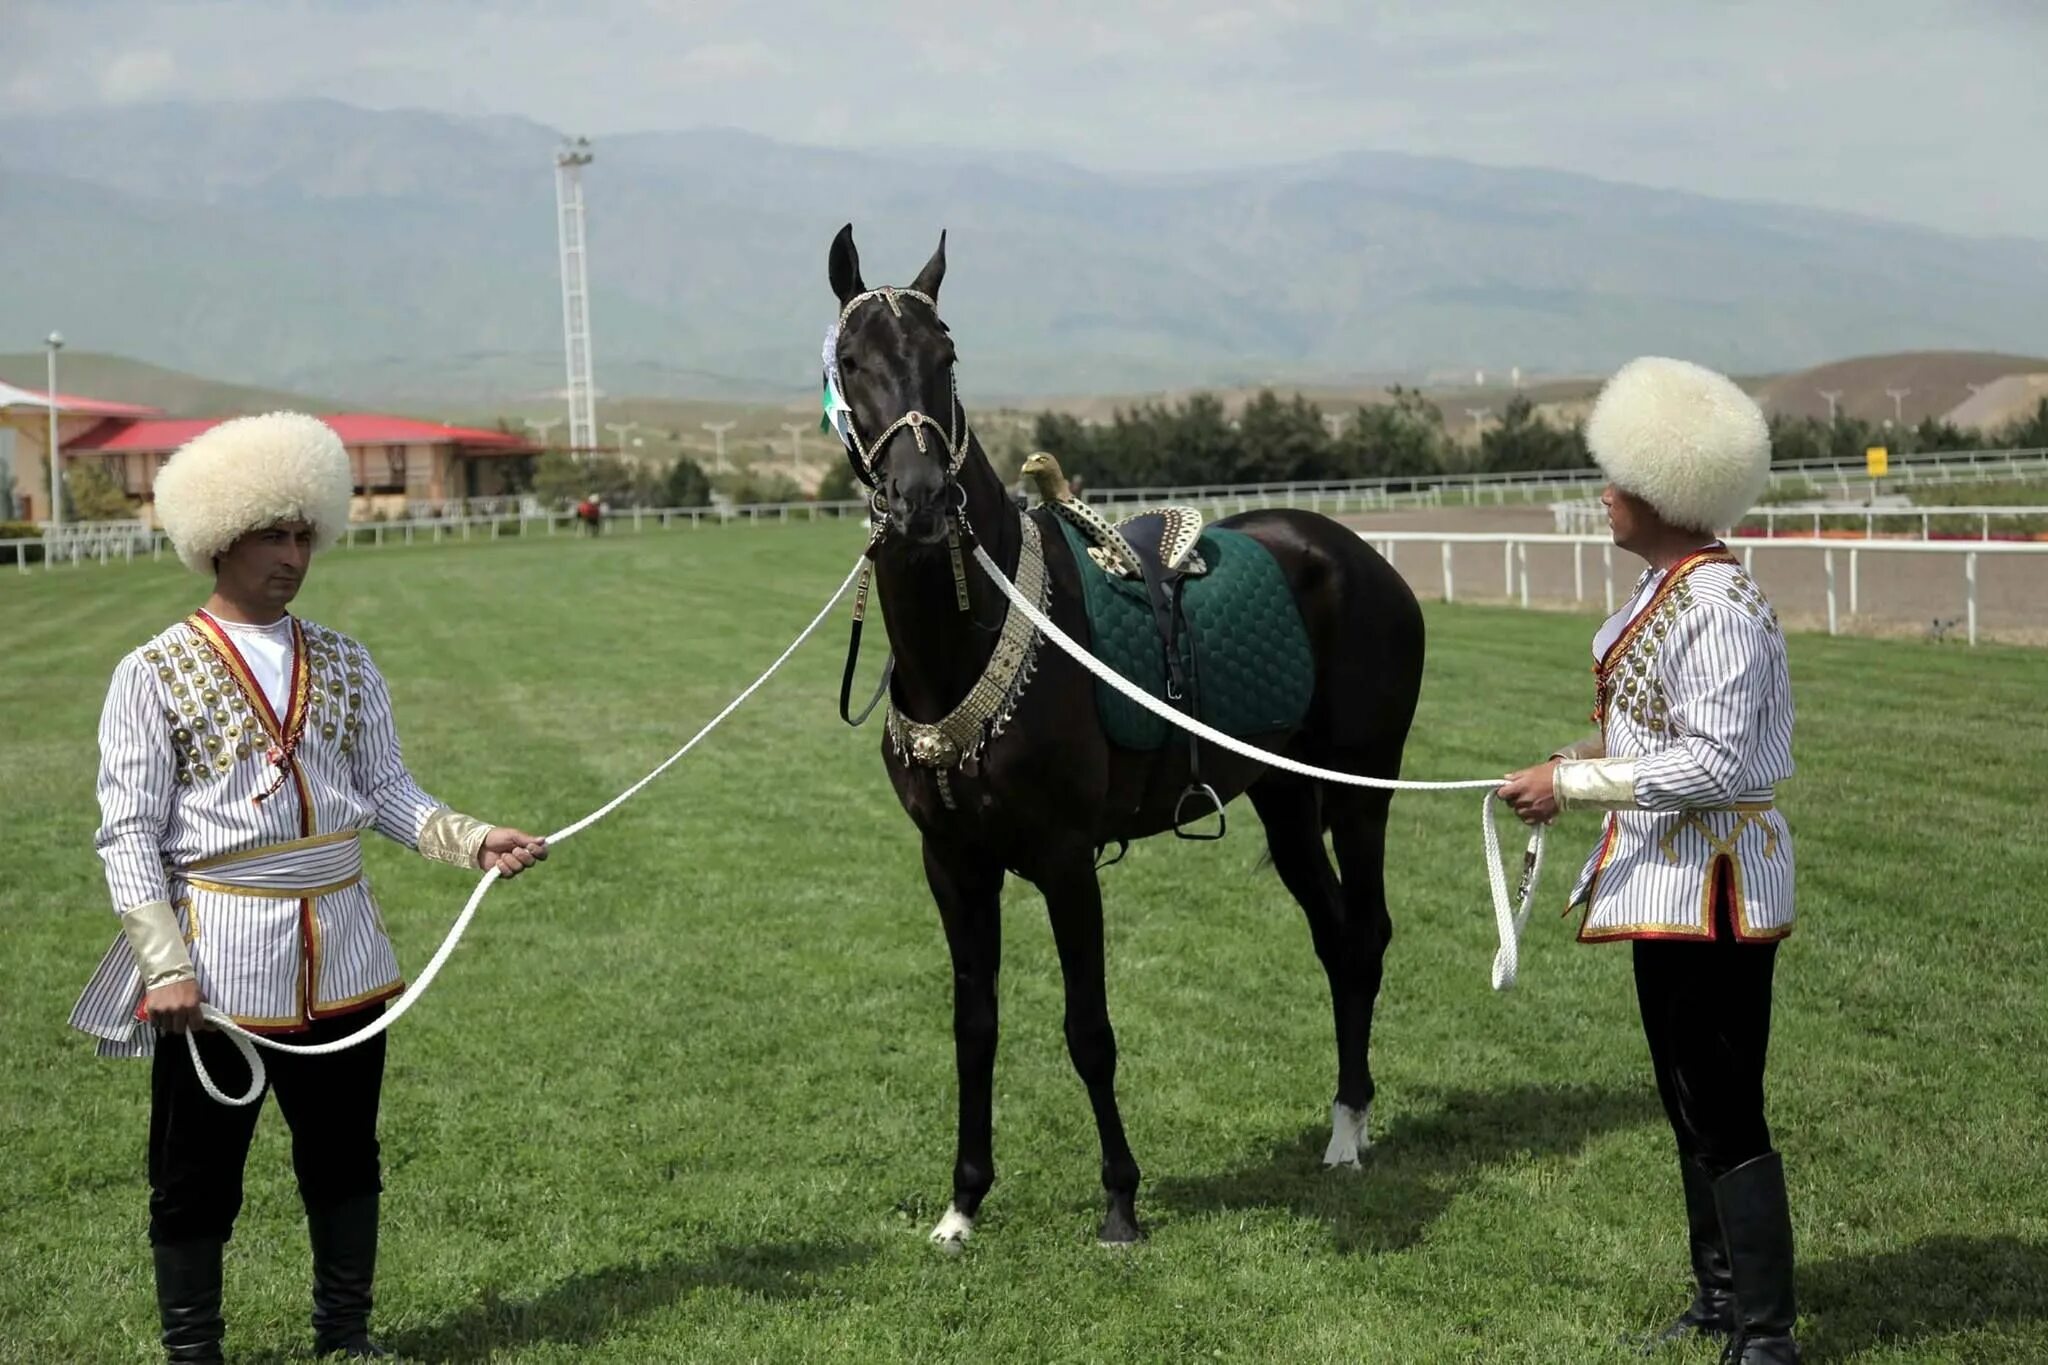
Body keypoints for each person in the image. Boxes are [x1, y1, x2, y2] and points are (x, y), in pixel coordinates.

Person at [69, 412, 550, 1363]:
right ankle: (194, 1350)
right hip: (214, 971)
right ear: (218, 536)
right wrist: (166, 967)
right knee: (195, 1174)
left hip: (346, 959)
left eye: (303, 535)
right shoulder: (151, 671)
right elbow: (128, 833)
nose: (294, 555)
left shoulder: (345, 659)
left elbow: (386, 792)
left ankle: (348, 1336)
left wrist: (474, 839)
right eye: (271, 535)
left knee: (344, 1161)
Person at [1496, 358, 1800, 1364]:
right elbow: (1659, 737)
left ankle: (1763, 1335)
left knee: (1720, 1102)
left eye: (1616, 479)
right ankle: (1720, 1302)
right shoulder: (1671, 588)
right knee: (1687, 1097)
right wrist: (1566, 763)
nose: (1602, 496)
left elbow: (1712, 763)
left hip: (1708, 884)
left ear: (1662, 494)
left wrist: (1572, 788)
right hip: (1671, 877)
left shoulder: (1709, 605)